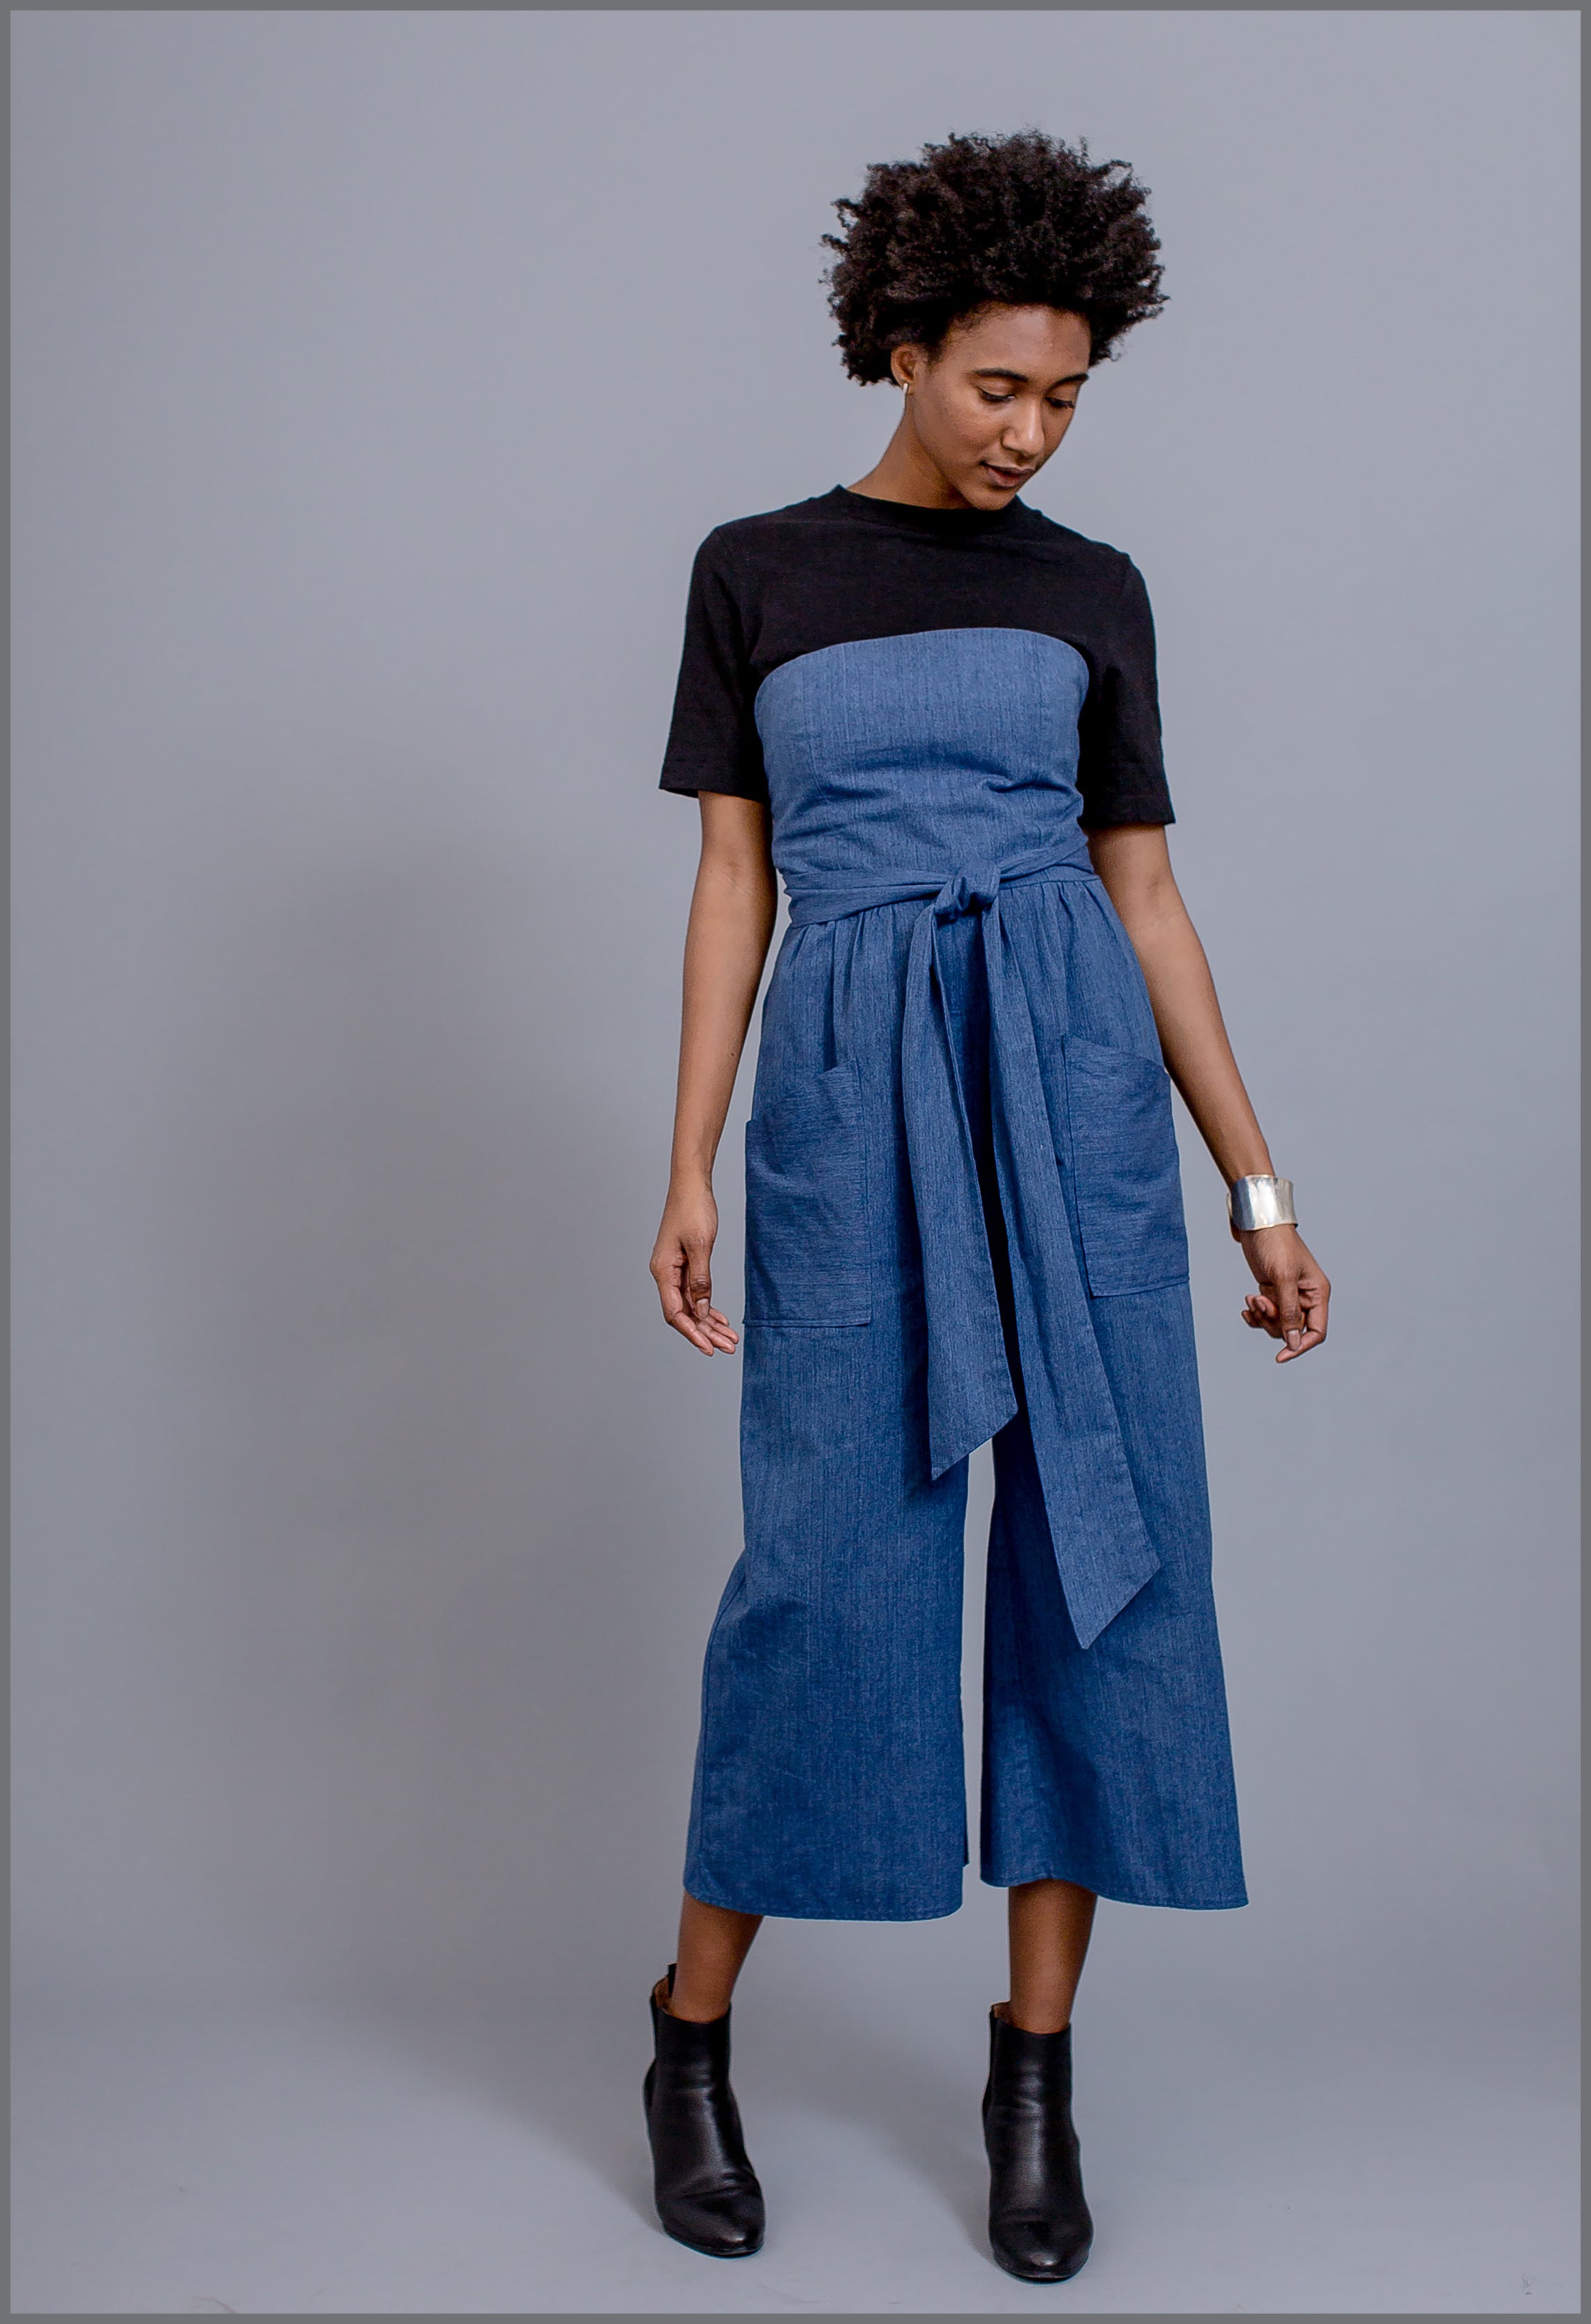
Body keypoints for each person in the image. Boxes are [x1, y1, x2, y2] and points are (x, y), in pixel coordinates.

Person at [644, 128, 1330, 2283]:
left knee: (1095, 1562)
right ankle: (687, 2037)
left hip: (1072, 1090)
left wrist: (1257, 1187)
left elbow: (1150, 901)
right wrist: (686, 1154)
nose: (1031, 431)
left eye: (1067, 397)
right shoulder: (759, 569)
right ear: (905, 351)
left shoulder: (1091, 589)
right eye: (998, 387)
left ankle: (1034, 2076)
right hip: (852, 1105)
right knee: (824, 1577)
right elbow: (735, 881)